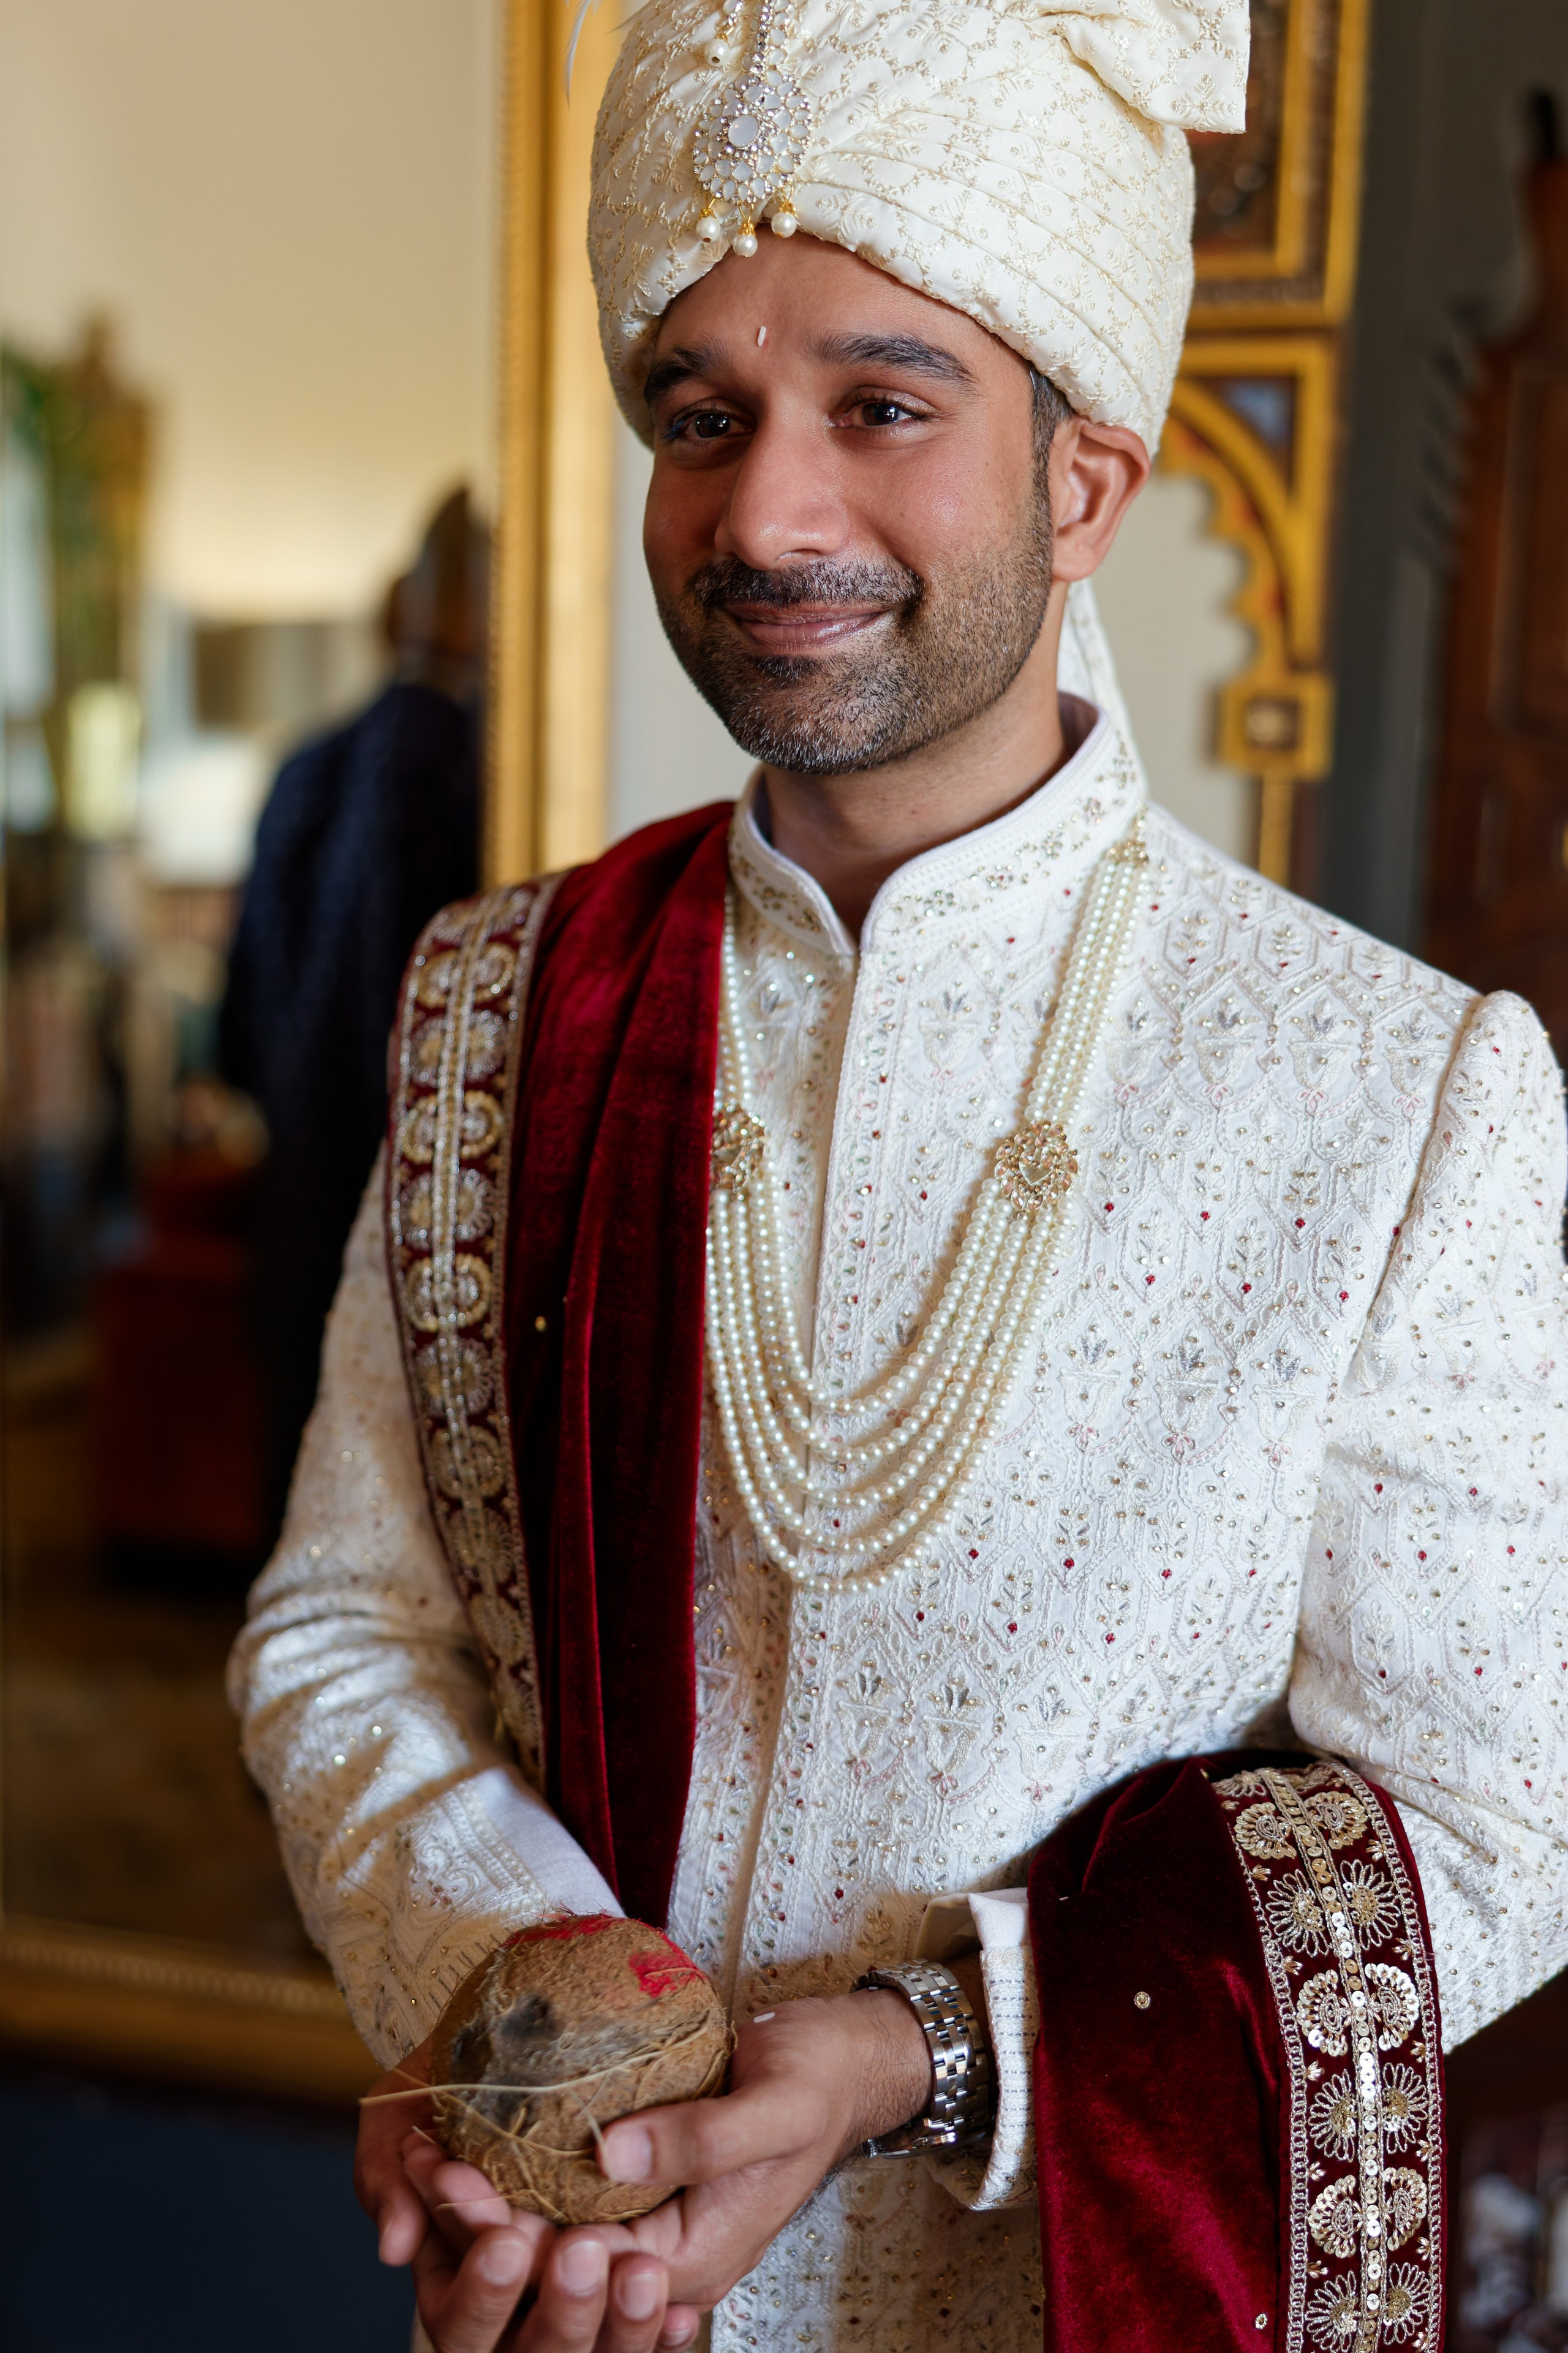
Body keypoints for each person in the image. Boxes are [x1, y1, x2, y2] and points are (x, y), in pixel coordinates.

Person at [230, 3, 1568, 2349]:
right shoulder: (507, 1001)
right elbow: (347, 1631)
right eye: (701, 416)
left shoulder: (1391, 1094)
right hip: (569, 2288)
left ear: (1086, 481)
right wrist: (530, 2013)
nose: (768, 516)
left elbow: (1494, 1819)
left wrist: (922, 2053)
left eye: (883, 404)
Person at [221, 487, 486, 1534]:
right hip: (424, 1206)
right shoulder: (484, 771)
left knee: (297, 1508)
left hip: (294, 1199)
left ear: (393, 612)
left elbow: (239, 1023)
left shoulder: (302, 769)